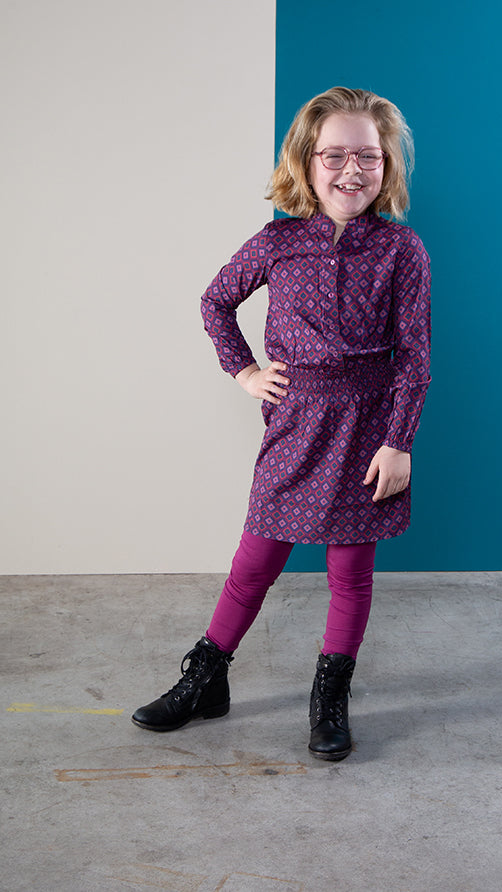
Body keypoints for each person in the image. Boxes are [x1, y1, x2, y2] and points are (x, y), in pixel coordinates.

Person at [131, 86, 431, 761]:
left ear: (386, 164)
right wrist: (244, 371)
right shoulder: (277, 242)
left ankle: (330, 697)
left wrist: (399, 442)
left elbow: (414, 356)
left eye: (368, 156)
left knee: (349, 573)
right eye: (334, 155)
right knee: (254, 563)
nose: (351, 170)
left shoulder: (402, 250)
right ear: (306, 161)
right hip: (294, 427)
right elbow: (215, 302)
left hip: (367, 428)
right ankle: (206, 679)